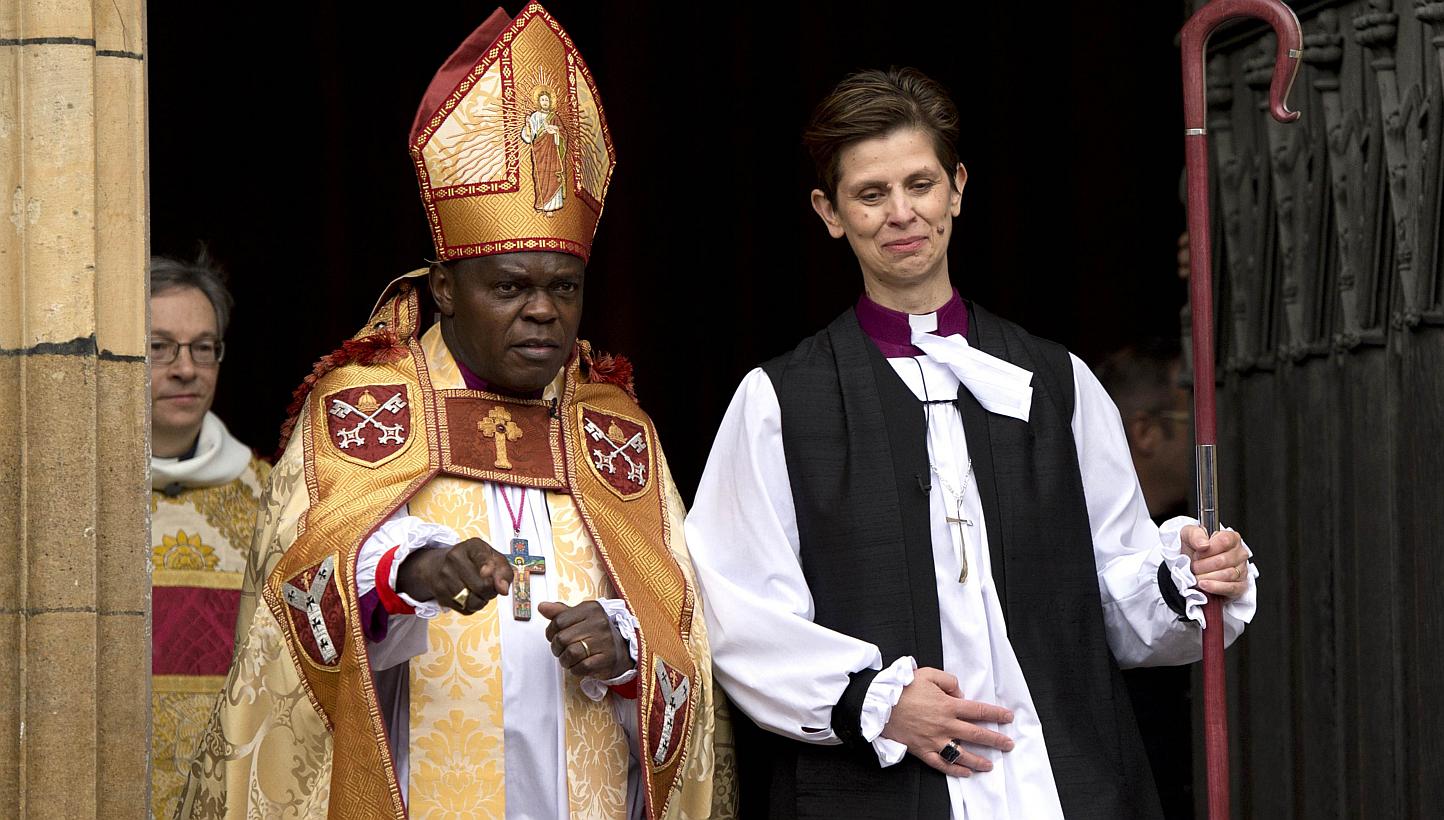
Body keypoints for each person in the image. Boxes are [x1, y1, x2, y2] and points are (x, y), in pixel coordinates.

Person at [179, 4, 732, 818]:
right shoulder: (362, 412)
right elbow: (289, 619)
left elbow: (684, 625)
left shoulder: (617, 432)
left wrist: (626, 650)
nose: (542, 312)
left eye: (563, 288)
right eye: (510, 287)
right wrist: (404, 575)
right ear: (444, 288)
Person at [685, 68, 1258, 819]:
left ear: (957, 187)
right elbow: (733, 606)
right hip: (881, 789)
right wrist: (874, 701)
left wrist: (1186, 577)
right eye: (870, 193)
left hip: (1061, 782)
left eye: (919, 184)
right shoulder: (779, 402)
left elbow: (1116, 593)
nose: (901, 213)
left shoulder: (1059, 382)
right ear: (830, 213)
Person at [147, 250, 271, 820]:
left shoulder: (272, 496)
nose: (185, 369)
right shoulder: (61, 497)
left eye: (203, 347)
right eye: (159, 347)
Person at [1095, 339, 1197, 818]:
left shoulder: (1192, 537)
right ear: (1146, 433)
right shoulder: (1071, 545)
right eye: (1186, 421)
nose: (1203, 437)